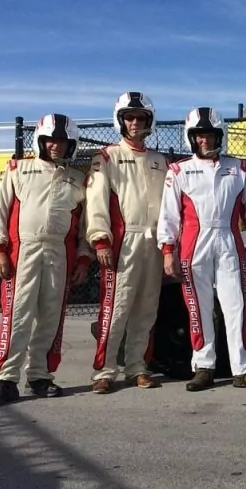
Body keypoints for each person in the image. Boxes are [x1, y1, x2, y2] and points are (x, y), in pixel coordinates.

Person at [0, 113, 92, 407]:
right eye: (50, 140)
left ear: (71, 146)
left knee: (51, 316)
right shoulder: (18, 169)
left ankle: (40, 375)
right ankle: (5, 379)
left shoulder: (78, 180)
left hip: (59, 253)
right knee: (17, 315)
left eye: (62, 142)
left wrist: (83, 259)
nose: (56, 146)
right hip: (22, 251)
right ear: (40, 141)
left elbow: (85, 226)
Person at [156, 106, 246, 392]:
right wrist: (167, 249)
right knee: (198, 308)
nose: (204, 141)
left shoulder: (239, 168)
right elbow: (168, 214)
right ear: (191, 138)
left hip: (230, 242)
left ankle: (243, 369)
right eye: (198, 136)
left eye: (209, 135)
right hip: (193, 246)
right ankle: (203, 367)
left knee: (236, 306)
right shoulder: (179, 170)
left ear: (220, 136)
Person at [87, 92, 169, 394]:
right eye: (130, 118)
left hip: (154, 242)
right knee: (116, 308)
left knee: (147, 309)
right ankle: (104, 371)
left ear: (149, 121)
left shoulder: (160, 161)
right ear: (121, 121)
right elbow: (95, 201)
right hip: (123, 243)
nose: (135, 123)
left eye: (141, 118)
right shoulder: (106, 157)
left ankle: (137, 367)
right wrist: (100, 239)